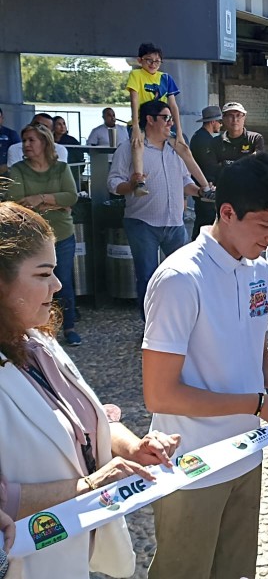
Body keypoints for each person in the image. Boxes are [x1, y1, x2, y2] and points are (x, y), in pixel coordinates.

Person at [141, 153, 268, 578]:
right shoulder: (179, 279)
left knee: (234, 571)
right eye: (266, 225)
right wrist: (260, 406)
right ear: (227, 213)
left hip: (246, 455)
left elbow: (257, 355)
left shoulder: (257, 270)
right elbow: (160, 394)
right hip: (192, 465)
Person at [0, 201, 181, 578]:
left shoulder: (36, 342)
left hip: (70, 555)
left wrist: (133, 446)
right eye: (43, 274)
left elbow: (83, 418)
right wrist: (89, 484)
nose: (59, 285)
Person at [107, 100, 205, 317]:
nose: (171, 123)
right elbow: (113, 184)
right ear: (150, 120)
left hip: (175, 223)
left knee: (184, 274)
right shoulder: (130, 148)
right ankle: (151, 328)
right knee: (148, 278)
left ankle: (182, 320)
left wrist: (199, 191)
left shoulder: (175, 148)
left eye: (171, 118)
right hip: (143, 224)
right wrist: (131, 185)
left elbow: (184, 181)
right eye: (166, 118)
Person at [6, 124, 81, 346]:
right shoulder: (18, 169)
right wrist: (55, 202)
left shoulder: (60, 168)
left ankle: (69, 327)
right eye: (24, 140)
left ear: (45, 143)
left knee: (64, 282)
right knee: (35, 284)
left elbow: (71, 197)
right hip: (32, 240)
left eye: (31, 140)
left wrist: (39, 198)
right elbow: (17, 202)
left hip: (63, 235)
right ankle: (38, 329)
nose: (26, 145)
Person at [125, 42, 213, 198]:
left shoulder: (165, 78)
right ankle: (139, 181)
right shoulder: (136, 75)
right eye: (148, 60)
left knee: (184, 148)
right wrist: (136, 126)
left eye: (157, 61)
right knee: (138, 144)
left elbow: (173, 106)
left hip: (162, 121)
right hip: (144, 120)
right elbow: (134, 101)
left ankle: (205, 187)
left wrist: (178, 131)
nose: (153, 64)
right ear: (140, 60)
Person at [189, 105, 223, 239]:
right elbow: (208, 166)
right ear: (213, 122)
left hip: (203, 188)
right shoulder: (205, 140)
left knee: (203, 222)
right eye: (219, 122)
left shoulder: (199, 137)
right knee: (205, 223)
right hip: (206, 188)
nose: (220, 125)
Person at [209, 102, 265, 182]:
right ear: (223, 119)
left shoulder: (255, 139)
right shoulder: (215, 142)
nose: (235, 120)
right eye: (230, 116)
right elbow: (212, 170)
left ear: (244, 118)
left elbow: (258, 162)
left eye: (238, 115)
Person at [52, 116, 83, 182]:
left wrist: (79, 171)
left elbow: (80, 156)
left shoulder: (72, 141)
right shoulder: (49, 140)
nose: (62, 126)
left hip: (72, 171)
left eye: (64, 124)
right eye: (59, 124)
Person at [0, 107, 21, 175]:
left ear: (2, 118)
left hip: (5, 172)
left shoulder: (11, 134)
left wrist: (7, 166)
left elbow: (19, 153)